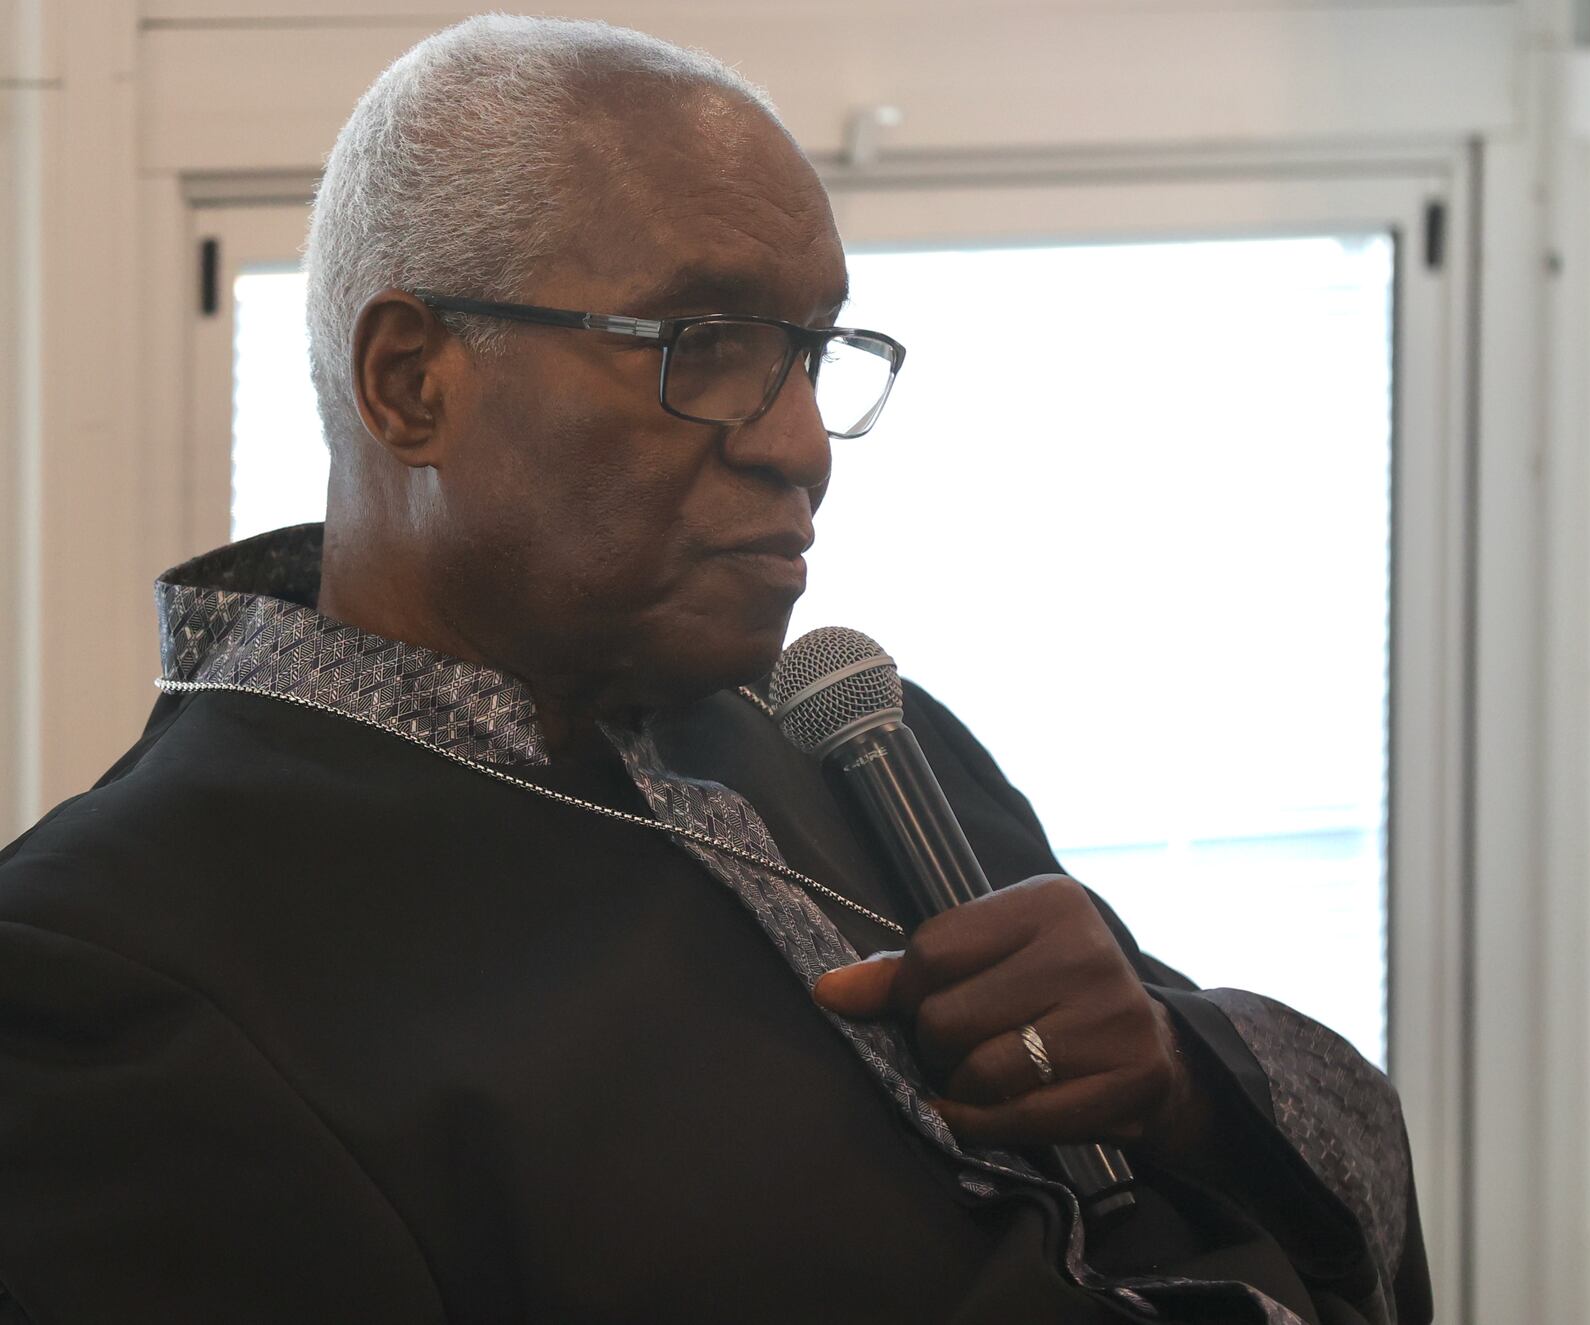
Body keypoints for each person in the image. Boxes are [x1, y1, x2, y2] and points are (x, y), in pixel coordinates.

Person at [0, 16, 1430, 1324]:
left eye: (813, 352)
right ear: (411, 382)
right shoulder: (108, 971)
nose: (801, 442)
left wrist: (1176, 1077)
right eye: (709, 344)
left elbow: (1302, 1169)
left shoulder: (851, 732)